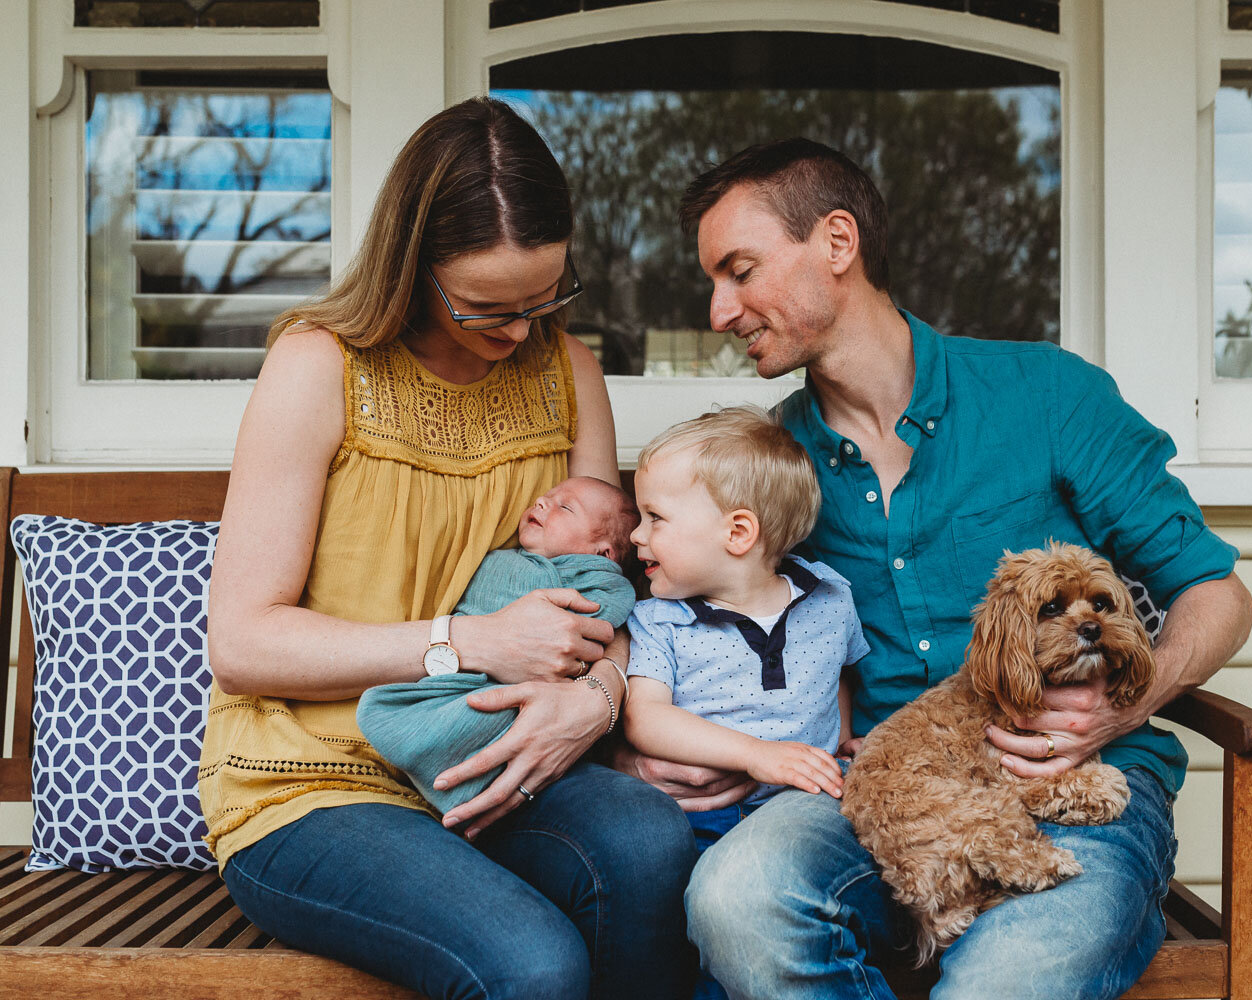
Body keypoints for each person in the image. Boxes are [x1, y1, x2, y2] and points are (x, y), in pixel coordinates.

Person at [613, 137, 1252, 1000]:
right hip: (868, 795)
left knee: (1012, 976)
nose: (721, 311)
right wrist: (629, 752)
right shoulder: (768, 467)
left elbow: (1216, 593)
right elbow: (683, 619)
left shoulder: (1050, 397)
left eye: (740, 270)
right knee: (734, 898)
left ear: (836, 244)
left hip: (1071, 781)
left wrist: (1120, 707)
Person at [198, 97, 696, 1000]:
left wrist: (597, 696)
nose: (519, 332)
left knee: (650, 843)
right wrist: (469, 643)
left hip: (495, 753)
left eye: (546, 298)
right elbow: (241, 644)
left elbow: (609, 588)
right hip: (311, 786)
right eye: (485, 307)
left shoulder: (568, 373)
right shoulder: (319, 367)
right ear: (411, 268)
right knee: (534, 963)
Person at [621, 406, 867, 855]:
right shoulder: (660, 620)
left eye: (655, 517)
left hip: (810, 805)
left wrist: (838, 743)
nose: (637, 536)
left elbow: (839, 674)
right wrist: (756, 755)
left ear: (737, 533)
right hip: (701, 813)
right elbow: (645, 717)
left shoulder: (831, 599)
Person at [357, 476, 641, 814]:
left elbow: (610, 616)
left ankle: (471, 777)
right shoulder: (500, 560)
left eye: (564, 507)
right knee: (419, 711)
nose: (542, 504)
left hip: (535, 695)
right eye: (543, 497)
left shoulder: (600, 580)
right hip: (467, 669)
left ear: (603, 553)